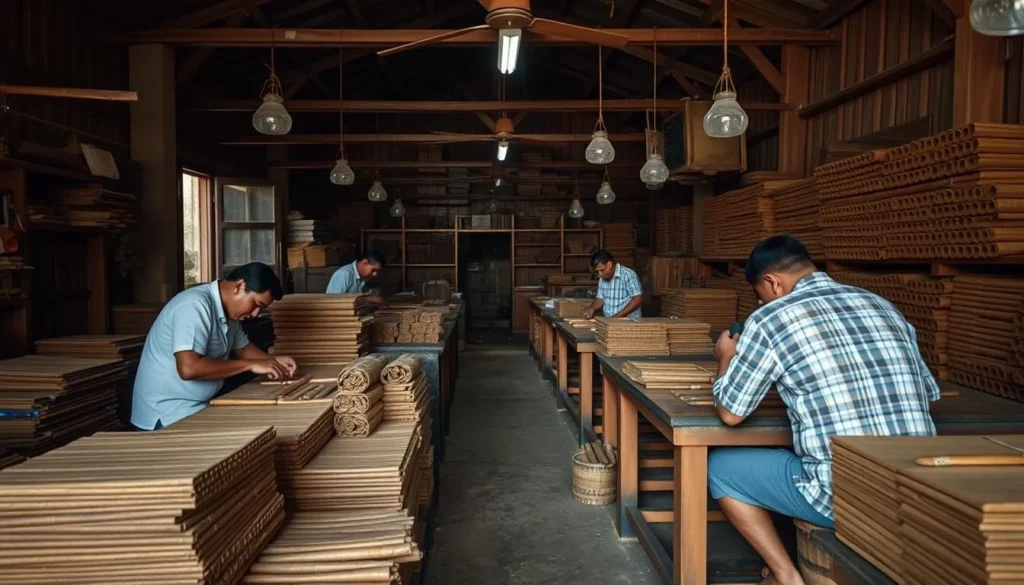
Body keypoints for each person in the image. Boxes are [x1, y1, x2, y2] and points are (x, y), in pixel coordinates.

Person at [709, 235, 939, 585]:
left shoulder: (771, 318)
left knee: (720, 468)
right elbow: (928, 392)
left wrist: (726, 357)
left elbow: (731, 413)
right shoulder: (882, 305)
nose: (762, 301)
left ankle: (786, 576)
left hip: (844, 495)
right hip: (923, 490)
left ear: (772, 282)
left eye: (761, 293)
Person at [131, 262, 297, 431]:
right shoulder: (194, 305)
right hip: (166, 414)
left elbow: (244, 349)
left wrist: (274, 361)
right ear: (239, 286)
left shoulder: (231, 314)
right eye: (256, 304)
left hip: (196, 406)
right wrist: (251, 365)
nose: (255, 314)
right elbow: (189, 368)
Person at [582, 249, 643, 320]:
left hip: (629, 323)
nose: (599, 274)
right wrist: (592, 308)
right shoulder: (602, 278)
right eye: (597, 271)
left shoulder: (628, 274)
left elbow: (638, 299)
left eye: (601, 270)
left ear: (609, 265)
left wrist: (617, 317)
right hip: (609, 323)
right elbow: (600, 298)